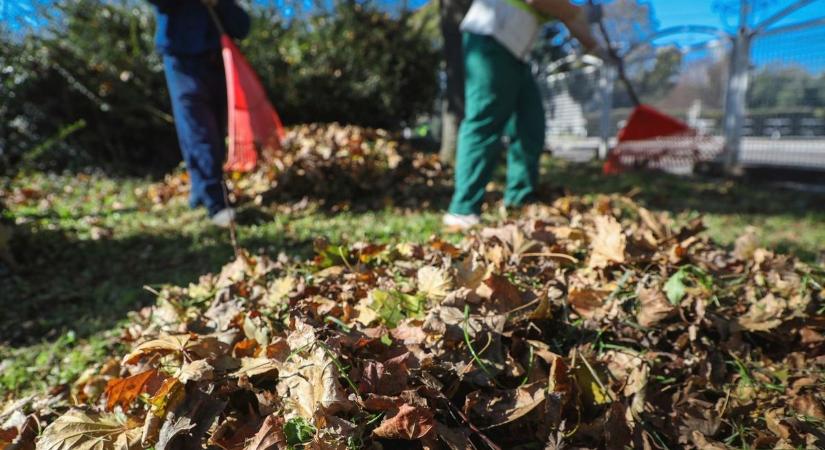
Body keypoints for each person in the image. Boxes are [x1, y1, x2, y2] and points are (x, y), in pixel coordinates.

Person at [442, 0, 604, 230]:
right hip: (490, 36)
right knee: (484, 119)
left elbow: (573, 21)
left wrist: (596, 47)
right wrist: (576, 13)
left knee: (530, 124)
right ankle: (462, 209)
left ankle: (520, 201)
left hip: (517, 54)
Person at [146, 0, 251, 227]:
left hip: (217, 59)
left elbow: (242, 26)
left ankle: (200, 192)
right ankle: (216, 202)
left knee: (215, 131)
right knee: (199, 130)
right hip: (181, 59)